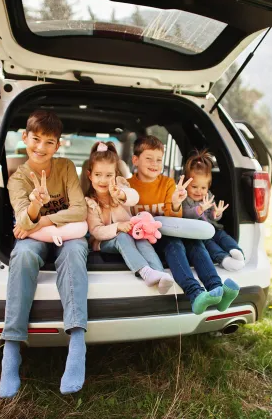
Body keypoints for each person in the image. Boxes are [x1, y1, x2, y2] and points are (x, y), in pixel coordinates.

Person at [0, 110, 88, 398]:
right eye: (35, 139)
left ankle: (77, 343)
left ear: (58, 145)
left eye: (49, 142)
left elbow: (80, 210)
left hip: (67, 234)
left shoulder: (65, 168)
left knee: (75, 251)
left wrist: (45, 219)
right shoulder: (18, 179)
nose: (41, 147)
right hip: (35, 237)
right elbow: (23, 221)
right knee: (23, 255)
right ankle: (11, 351)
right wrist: (36, 205)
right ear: (24, 137)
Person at [127, 135, 239, 315]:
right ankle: (195, 293)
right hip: (144, 239)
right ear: (135, 160)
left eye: (158, 160)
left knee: (195, 243)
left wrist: (176, 203)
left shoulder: (167, 183)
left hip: (166, 231)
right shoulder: (128, 185)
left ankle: (217, 289)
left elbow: (175, 218)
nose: (154, 163)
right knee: (175, 245)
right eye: (149, 158)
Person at [85, 141, 174, 294]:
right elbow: (96, 231)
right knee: (123, 238)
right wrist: (117, 227)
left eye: (109, 175)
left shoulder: (121, 189)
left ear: (116, 176)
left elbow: (134, 197)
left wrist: (121, 194)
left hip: (131, 233)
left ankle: (160, 274)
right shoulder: (90, 202)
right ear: (90, 175)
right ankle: (145, 272)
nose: (103, 180)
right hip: (103, 242)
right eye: (98, 175)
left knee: (142, 240)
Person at [181, 149, 245, 271]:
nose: (199, 191)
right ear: (186, 183)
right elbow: (185, 213)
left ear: (208, 186)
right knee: (210, 245)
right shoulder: (185, 198)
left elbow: (211, 216)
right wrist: (199, 209)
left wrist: (216, 214)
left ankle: (237, 251)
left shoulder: (208, 196)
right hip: (199, 233)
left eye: (203, 187)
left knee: (223, 237)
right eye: (194, 187)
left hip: (214, 228)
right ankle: (224, 259)